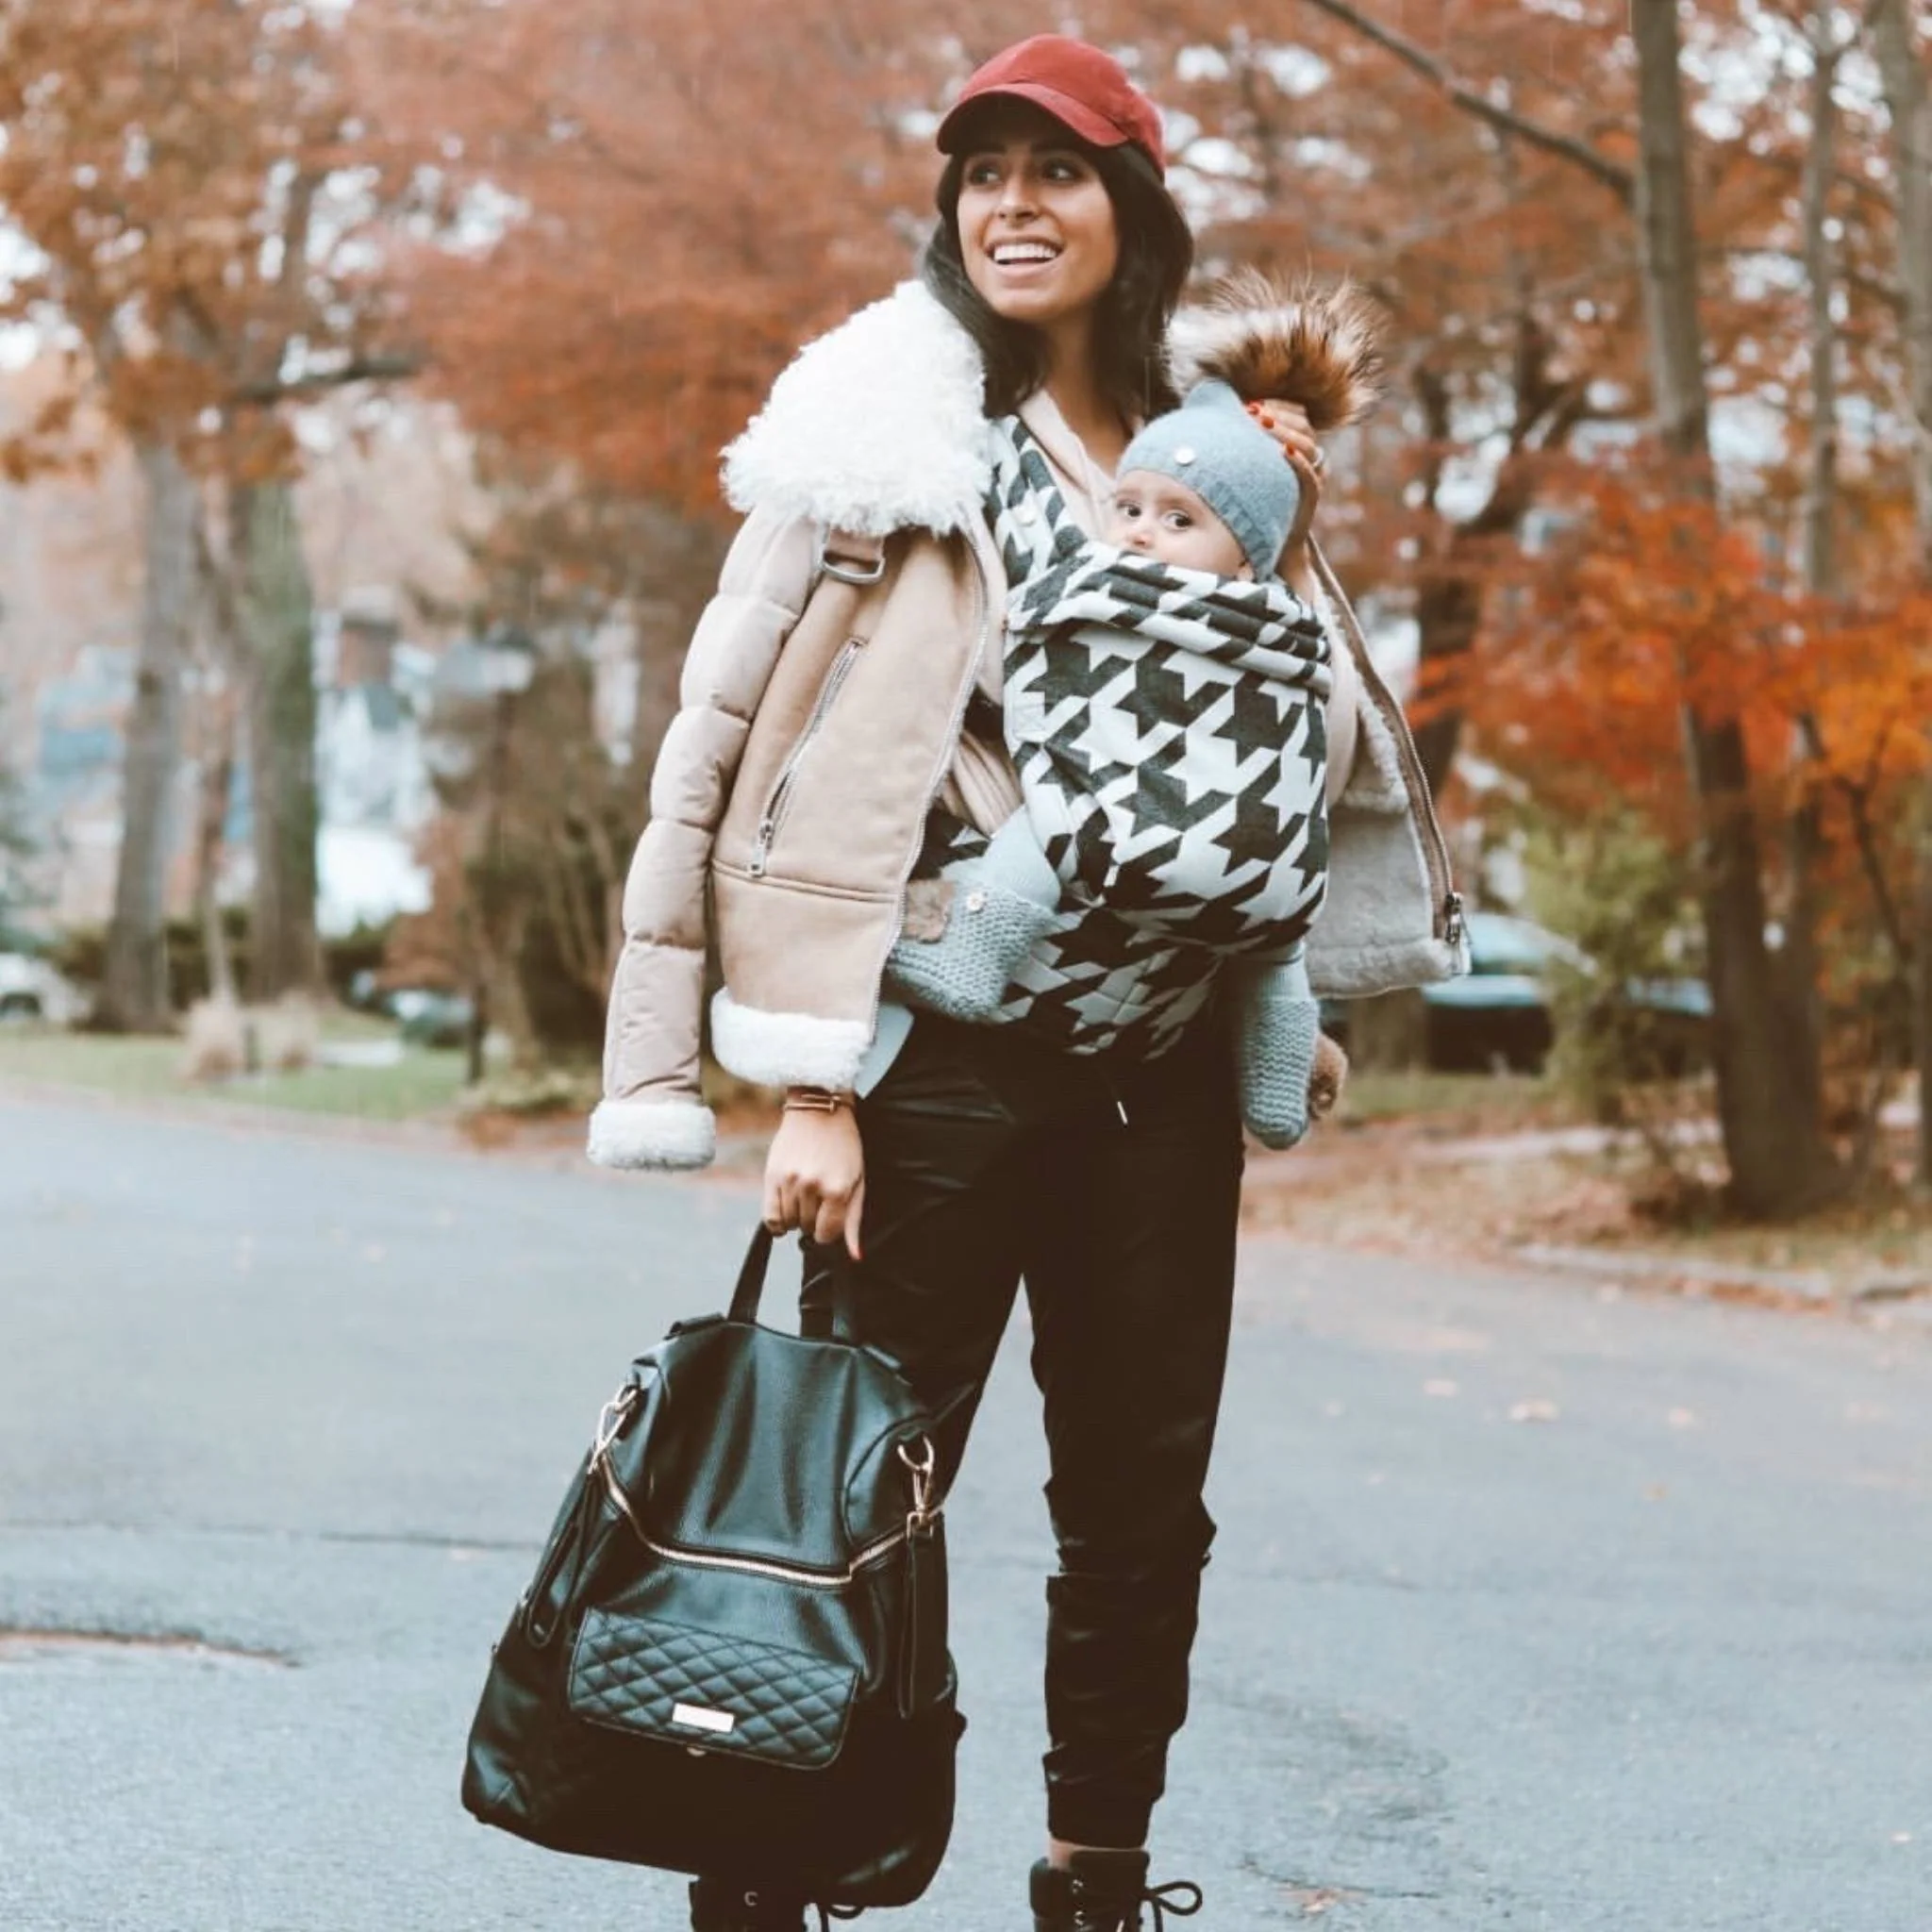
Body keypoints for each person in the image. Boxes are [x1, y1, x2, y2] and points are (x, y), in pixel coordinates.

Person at [588, 33, 1466, 1932]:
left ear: (1129, 206)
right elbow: (740, 746)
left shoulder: (1215, 454)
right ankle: (768, 1881)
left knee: (1142, 1502)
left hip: (1162, 1080)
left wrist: (1281, 982)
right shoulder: (885, 441)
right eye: (981, 173)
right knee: (846, 1482)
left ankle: (1097, 1875)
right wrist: (811, 1083)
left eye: (1055, 171)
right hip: (941, 1063)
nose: (1012, 205)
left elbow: (1281, 739)